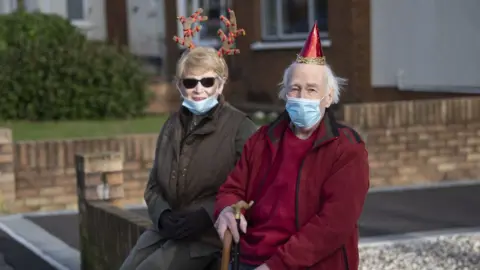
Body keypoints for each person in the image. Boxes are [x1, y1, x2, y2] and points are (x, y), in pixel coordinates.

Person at [214, 22, 370, 270]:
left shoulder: (346, 149)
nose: (302, 98)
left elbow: (334, 224)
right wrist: (224, 210)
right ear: (285, 93)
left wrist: (276, 266)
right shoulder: (261, 139)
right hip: (251, 258)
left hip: (312, 265)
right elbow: (232, 189)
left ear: (328, 97)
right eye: (295, 89)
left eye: (311, 90)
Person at [120, 9, 257, 270]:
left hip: (208, 236)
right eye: (190, 82)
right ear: (179, 85)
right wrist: (163, 216)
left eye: (207, 81)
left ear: (220, 84)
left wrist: (206, 215)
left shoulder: (240, 127)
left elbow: (253, 185)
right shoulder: (171, 126)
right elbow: (153, 184)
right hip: (168, 230)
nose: (198, 89)